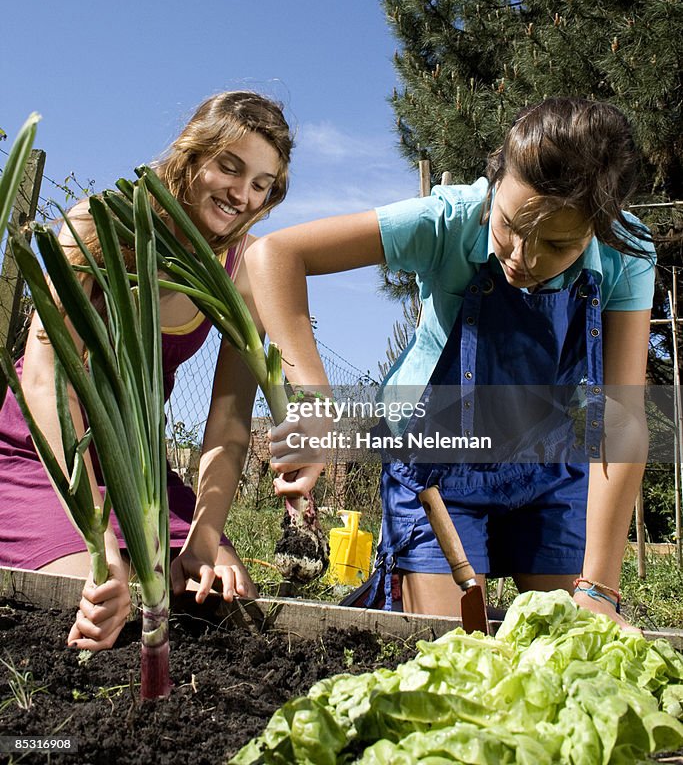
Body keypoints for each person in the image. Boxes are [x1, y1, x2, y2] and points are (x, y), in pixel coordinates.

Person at [245, 97, 655, 628]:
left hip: (552, 468)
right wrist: (315, 403)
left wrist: (600, 587)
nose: (522, 259)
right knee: (448, 646)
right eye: (509, 225)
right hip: (437, 470)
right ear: (496, 181)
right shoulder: (450, 222)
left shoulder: (628, 254)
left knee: (572, 637)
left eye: (555, 244)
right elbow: (273, 255)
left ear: (598, 229)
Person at [0, 90, 294, 649]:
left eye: (261, 184)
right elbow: (45, 380)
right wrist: (99, 540)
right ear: (190, 157)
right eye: (229, 167)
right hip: (43, 456)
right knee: (86, 601)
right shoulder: (98, 226)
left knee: (234, 603)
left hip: (138, 472)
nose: (243, 195)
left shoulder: (243, 269)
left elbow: (229, 422)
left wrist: (206, 536)